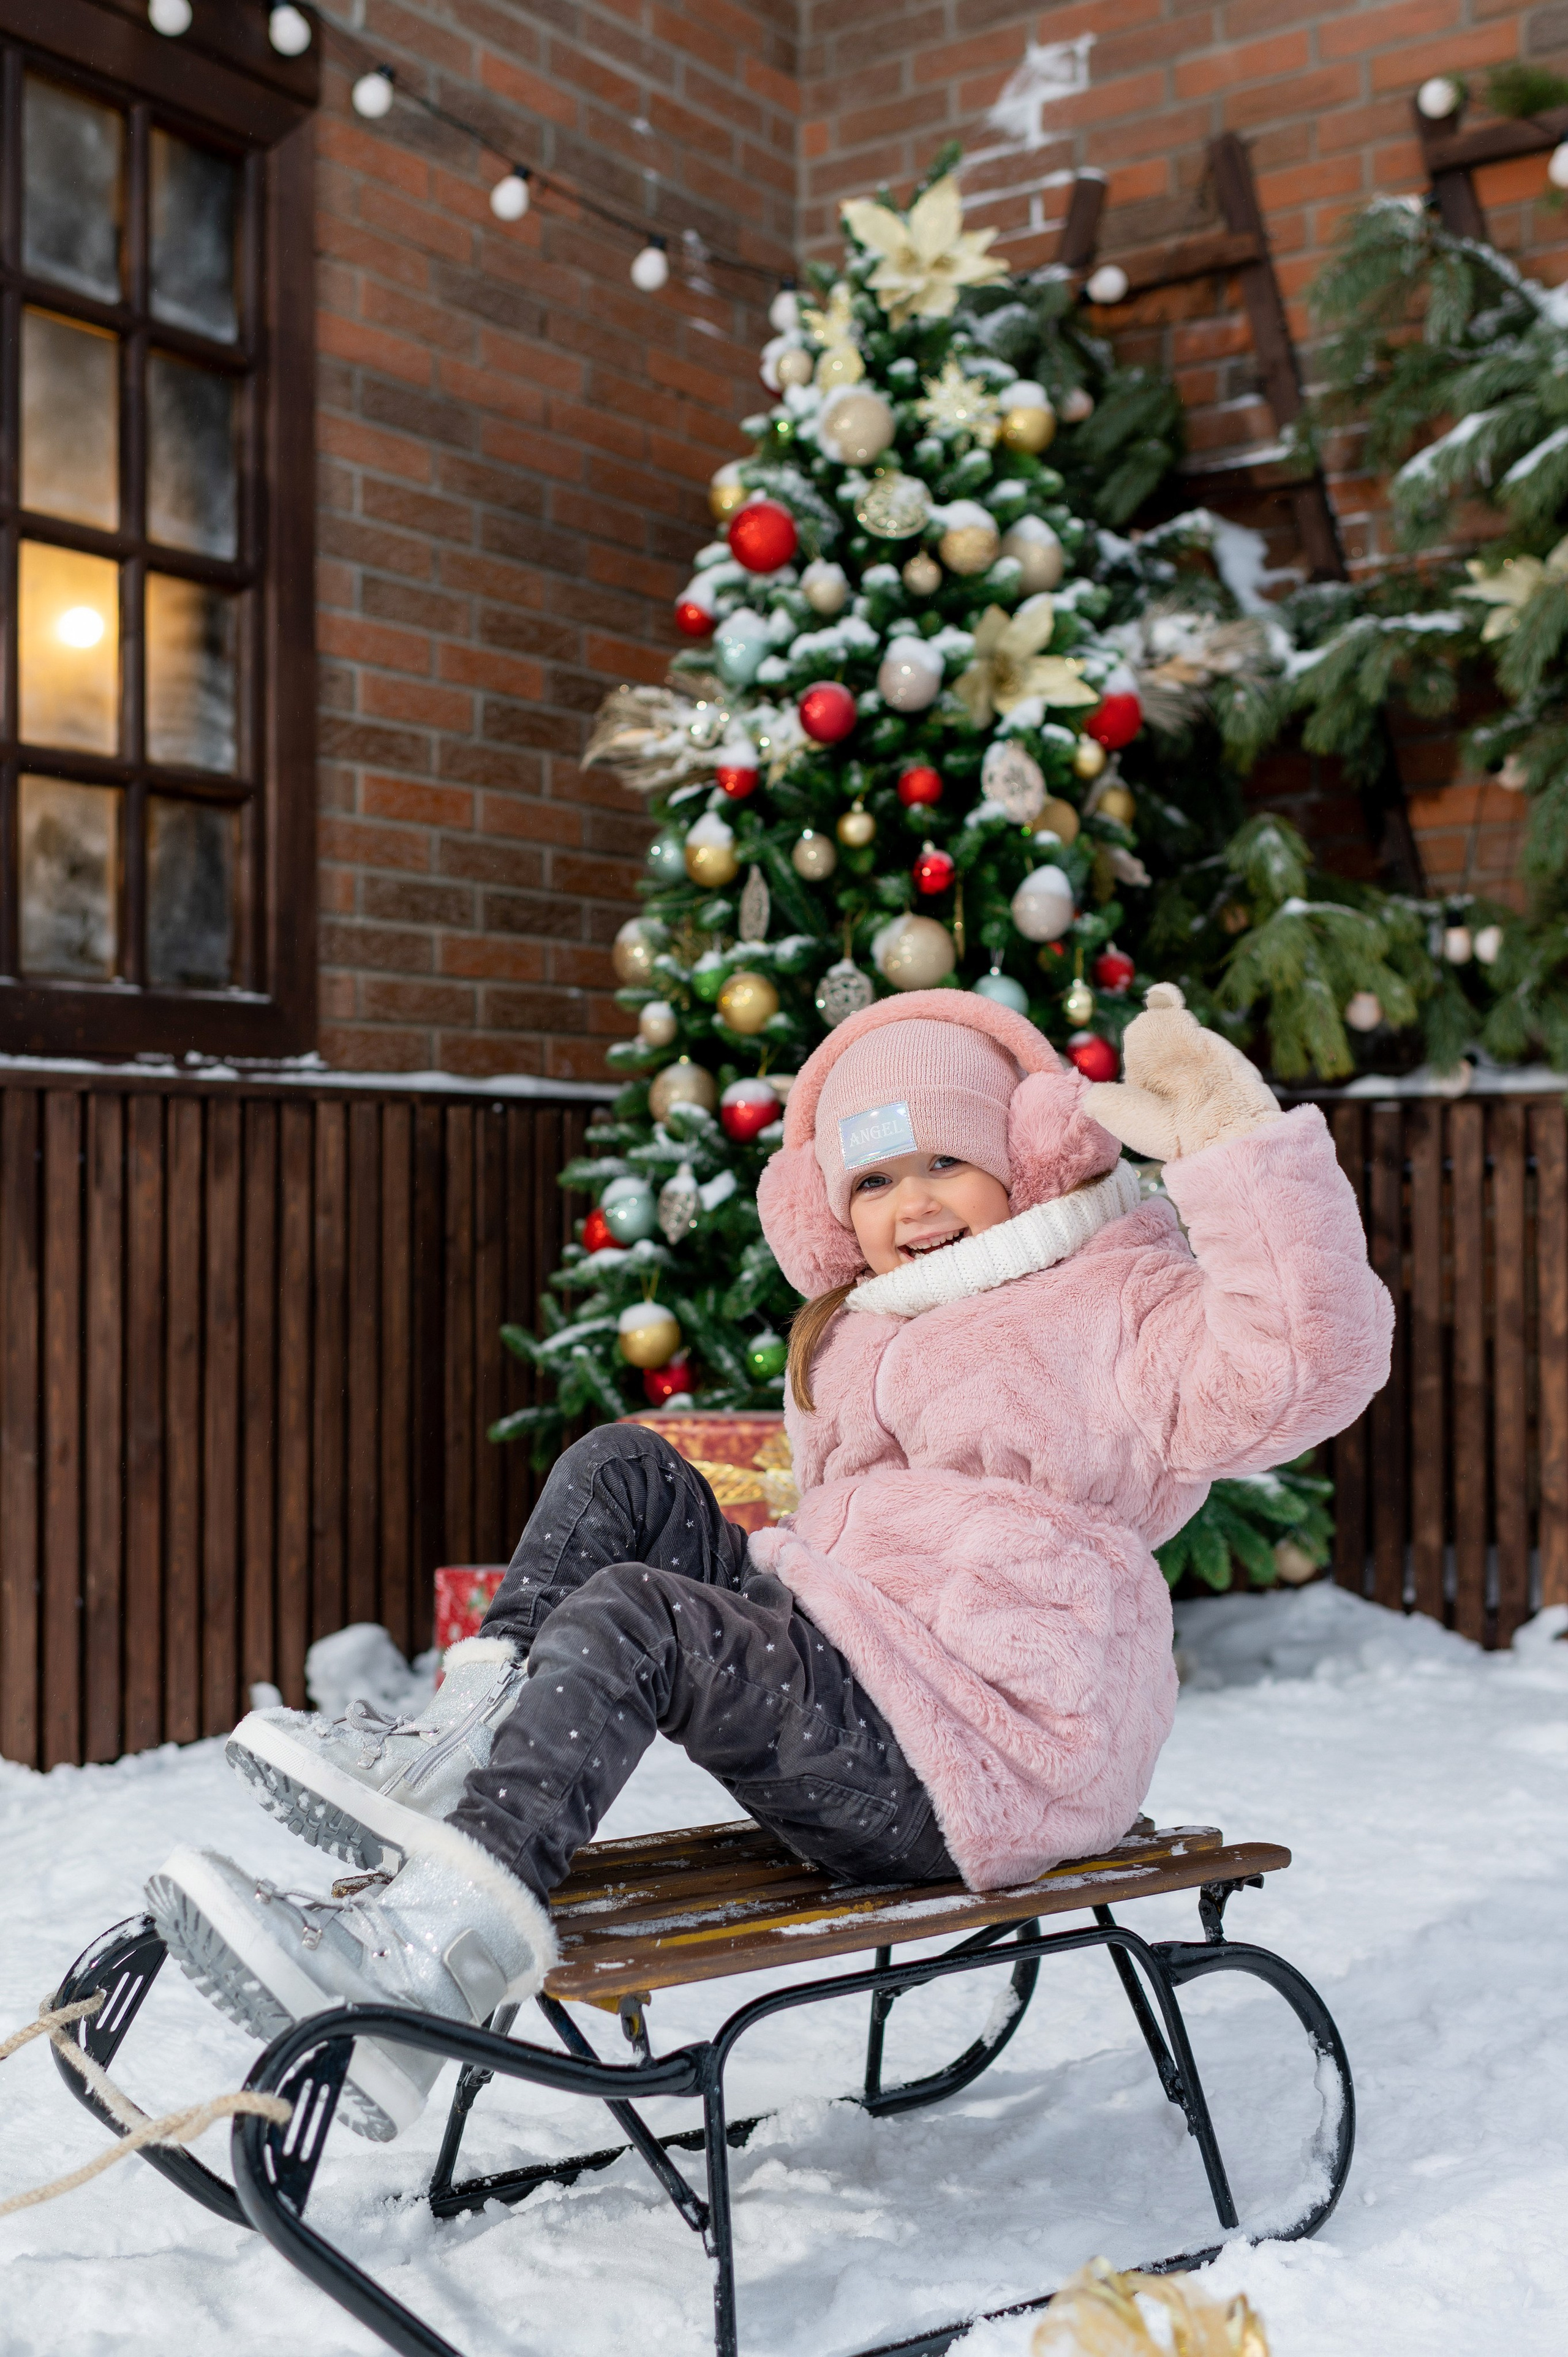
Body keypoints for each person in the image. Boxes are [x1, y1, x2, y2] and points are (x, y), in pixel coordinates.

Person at [147, 986, 1392, 2141]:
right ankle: (462, 1745)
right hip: (862, 1690)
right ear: (825, 1207)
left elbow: (1302, 1364)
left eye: (946, 1163)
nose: (911, 1204)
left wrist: (1233, 1147)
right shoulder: (860, 1332)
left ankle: (430, 1969)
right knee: (622, 1466)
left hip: (986, 1751)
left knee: (640, 1617)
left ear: (1023, 1156)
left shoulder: (1112, 1302)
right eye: (875, 1179)